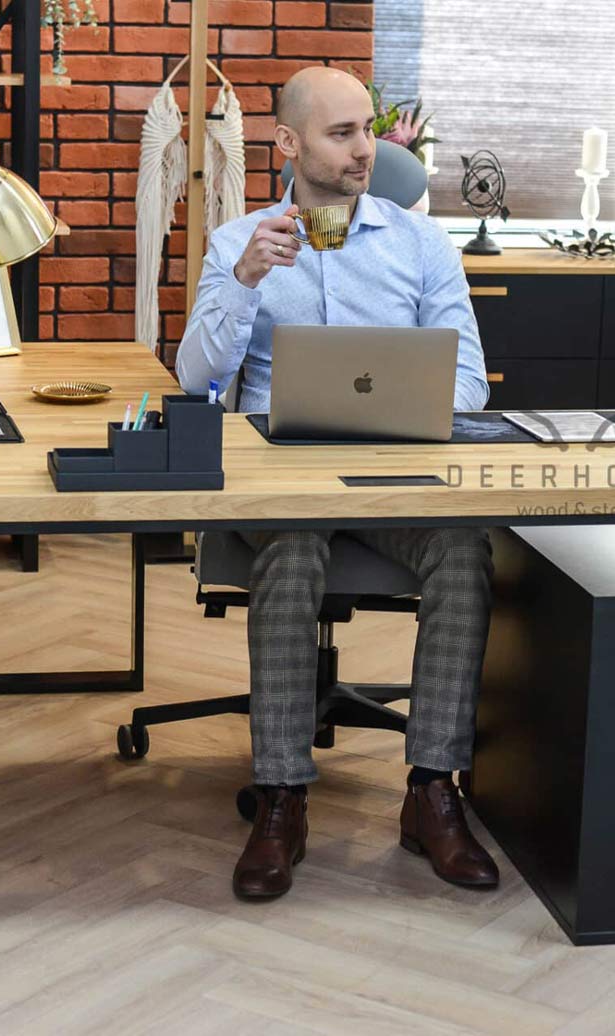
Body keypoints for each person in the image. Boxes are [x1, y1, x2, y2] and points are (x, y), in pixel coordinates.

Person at [175, 66, 499, 901]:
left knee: (464, 549)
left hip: (394, 480)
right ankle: (281, 799)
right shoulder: (237, 243)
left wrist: (404, 396)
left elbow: (470, 383)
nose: (368, 151)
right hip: (280, 486)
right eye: (343, 133)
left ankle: (433, 791)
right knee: (291, 547)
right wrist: (244, 283)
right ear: (287, 143)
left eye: (370, 131)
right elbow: (196, 380)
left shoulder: (421, 243)